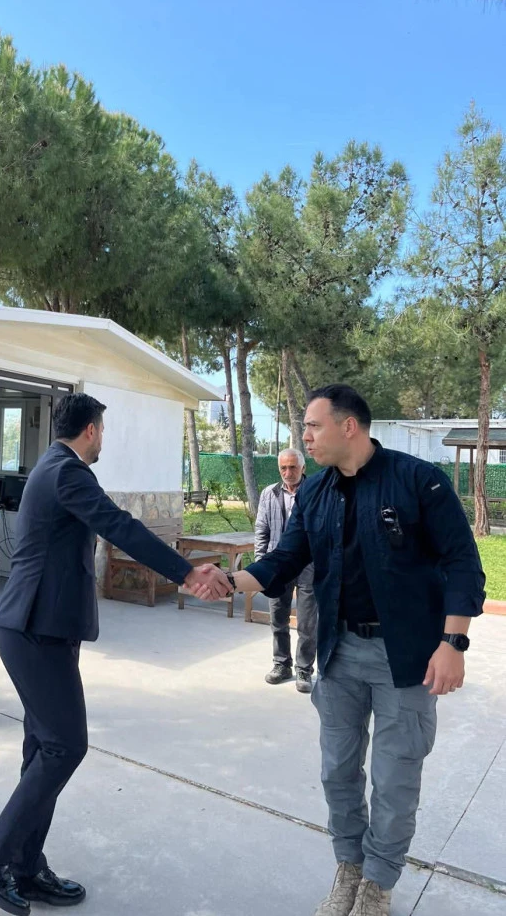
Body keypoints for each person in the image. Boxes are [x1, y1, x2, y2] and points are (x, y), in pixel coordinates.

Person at [192, 384, 484, 916]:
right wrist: (231, 581)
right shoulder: (316, 492)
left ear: (348, 426)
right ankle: (349, 867)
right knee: (338, 772)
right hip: (337, 651)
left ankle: (378, 883)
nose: (304, 436)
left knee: (395, 778)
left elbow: (463, 563)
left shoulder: (419, 481)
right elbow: (285, 558)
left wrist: (453, 643)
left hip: (407, 658)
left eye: (313, 425)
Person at [0, 393, 232, 916]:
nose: (103, 438)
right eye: (102, 429)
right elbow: (118, 523)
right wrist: (185, 571)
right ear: (90, 429)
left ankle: (25, 865)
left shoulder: (53, 467)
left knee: (42, 749)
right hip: (35, 630)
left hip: (43, 628)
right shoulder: (67, 471)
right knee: (65, 746)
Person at [255, 448, 318, 693]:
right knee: (277, 617)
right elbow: (262, 529)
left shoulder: (316, 492)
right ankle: (281, 664)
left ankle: (304, 669)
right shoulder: (269, 493)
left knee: (307, 621)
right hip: (277, 564)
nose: (288, 472)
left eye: (293, 467)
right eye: (283, 467)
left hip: (309, 564)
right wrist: (261, 563)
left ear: (303, 468)